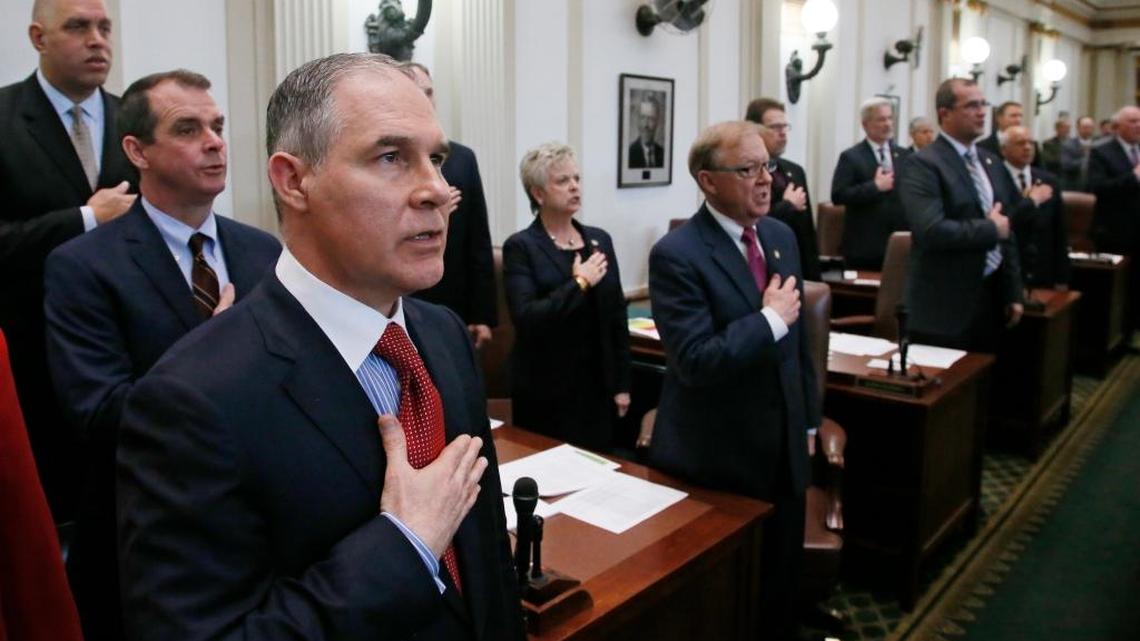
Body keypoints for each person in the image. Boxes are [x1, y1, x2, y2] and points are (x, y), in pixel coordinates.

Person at [116, 53, 525, 641]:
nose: (437, 189)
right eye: (391, 158)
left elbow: (483, 555)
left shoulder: (442, 335)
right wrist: (403, 547)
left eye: (435, 159)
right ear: (294, 180)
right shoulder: (192, 401)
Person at [43, 69, 281, 641]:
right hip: (151, 540)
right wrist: (214, 348)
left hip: (267, 526)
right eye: (188, 128)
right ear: (137, 150)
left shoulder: (263, 251)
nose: (216, 141)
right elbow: (100, 416)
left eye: (218, 126)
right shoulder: (83, 266)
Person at [648, 120, 819, 641]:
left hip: (783, 446)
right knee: (724, 603)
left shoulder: (780, 235)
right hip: (718, 456)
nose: (765, 179)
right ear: (708, 180)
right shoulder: (677, 254)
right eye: (748, 169)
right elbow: (695, 360)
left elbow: (800, 342)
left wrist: (808, 421)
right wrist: (767, 320)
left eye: (767, 165)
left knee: (779, 586)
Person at [0, 0, 136, 521]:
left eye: (104, 27)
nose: (97, 40)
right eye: (78, 27)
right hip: (28, 354)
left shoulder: (136, 119)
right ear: (38, 38)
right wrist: (84, 218)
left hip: (123, 356)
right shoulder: (5, 119)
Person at [502, 143, 631, 452]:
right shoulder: (521, 247)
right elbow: (528, 318)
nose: (575, 187)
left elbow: (615, 317)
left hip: (597, 389)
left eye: (576, 178)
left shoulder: (599, 240)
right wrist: (579, 282)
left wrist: (622, 384)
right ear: (538, 194)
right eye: (562, 181)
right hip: (546, 390)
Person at [899, 78, 1024, 352]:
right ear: (945, 114)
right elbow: (931, 230)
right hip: (944, 306)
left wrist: (1014, 291)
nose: (982, 112)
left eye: (983, 104)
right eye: (971, 106)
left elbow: (1007, 228)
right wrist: (991, 230)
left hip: (992, 296)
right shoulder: (923, 164)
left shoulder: (990, 161)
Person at [404, 63, 497, 349]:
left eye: (429, 92)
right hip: (404, 299)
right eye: (417, 92)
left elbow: (478, 240)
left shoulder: (462, 159)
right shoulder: (389, 159)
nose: (426, 99)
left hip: (454, 302)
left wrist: (483, 314)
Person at [831, 97, 913, 269]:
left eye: (890, 118)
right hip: (865, 246)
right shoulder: (852, 157)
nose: (888, 124)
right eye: (881, 119)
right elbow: (838, 195)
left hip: (900, 243)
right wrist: (874, 187)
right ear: (866, 124)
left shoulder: (905, 156)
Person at [746, 97, 821, 280]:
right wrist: (787, 206)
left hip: (797, 266)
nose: (782, 133)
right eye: (774, 127)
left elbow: (807, 234)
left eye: (785, 127)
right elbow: (748, 220)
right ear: (754, 129)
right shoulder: (745, 172)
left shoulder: (794, 171)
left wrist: (814, 278)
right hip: (764, 267)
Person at [1089, 106, 1140, 332]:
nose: (1138, 125)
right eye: (1132, 121)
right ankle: (1116, 333)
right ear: (1117, 126)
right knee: (1117, 288)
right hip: (1115, 231)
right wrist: (1133, 178)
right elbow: (1097, 188)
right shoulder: (1102, 152)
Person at [999, 125, 1069, 289]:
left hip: (1043, 268)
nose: (1028, 147)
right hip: (1009, 268)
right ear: (1004, 149)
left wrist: (1062, 276)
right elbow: (1006, 220)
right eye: (1020, 143)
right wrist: (1031, 202)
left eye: (1031, 143)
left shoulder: (1048, 179)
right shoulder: (994, 178)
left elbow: (1059, 230)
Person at [977, 101, 1041, 167]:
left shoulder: (1031, 144)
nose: (1018, 120)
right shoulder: (983, 146)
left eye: (1020, 116)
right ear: (999, 118)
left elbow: (1039, 171)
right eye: (1013, 116)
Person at [1061, 115, 1098, 190]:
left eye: (1090, 127)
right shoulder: (1068, 144)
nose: (1088, 130)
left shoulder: (1099, 143)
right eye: (1085, 127)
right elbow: (1066, 165)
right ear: (1078, 128)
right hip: (1075, 185)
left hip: (1095, 186)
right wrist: (1086, 159)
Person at [629, 95, 665, 168]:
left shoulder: (663, 154)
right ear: (638, 121)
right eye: (642, 118)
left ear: (657, 122)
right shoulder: (629, 154)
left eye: (651, 119)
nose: (646, 125)